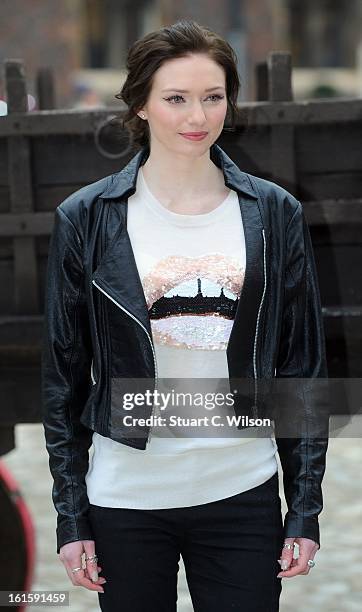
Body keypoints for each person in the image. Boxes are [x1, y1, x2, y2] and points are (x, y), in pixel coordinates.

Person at [41, 19, 329, 612]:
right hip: (126, 500)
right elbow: (63, 379)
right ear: (140, 105)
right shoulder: (87, 217)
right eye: (176, 98)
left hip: (241, 491)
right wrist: (73, 519)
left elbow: (303, 369)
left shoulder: (275, 214)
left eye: (213, 96)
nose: (197, 115)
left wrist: (303, 510)